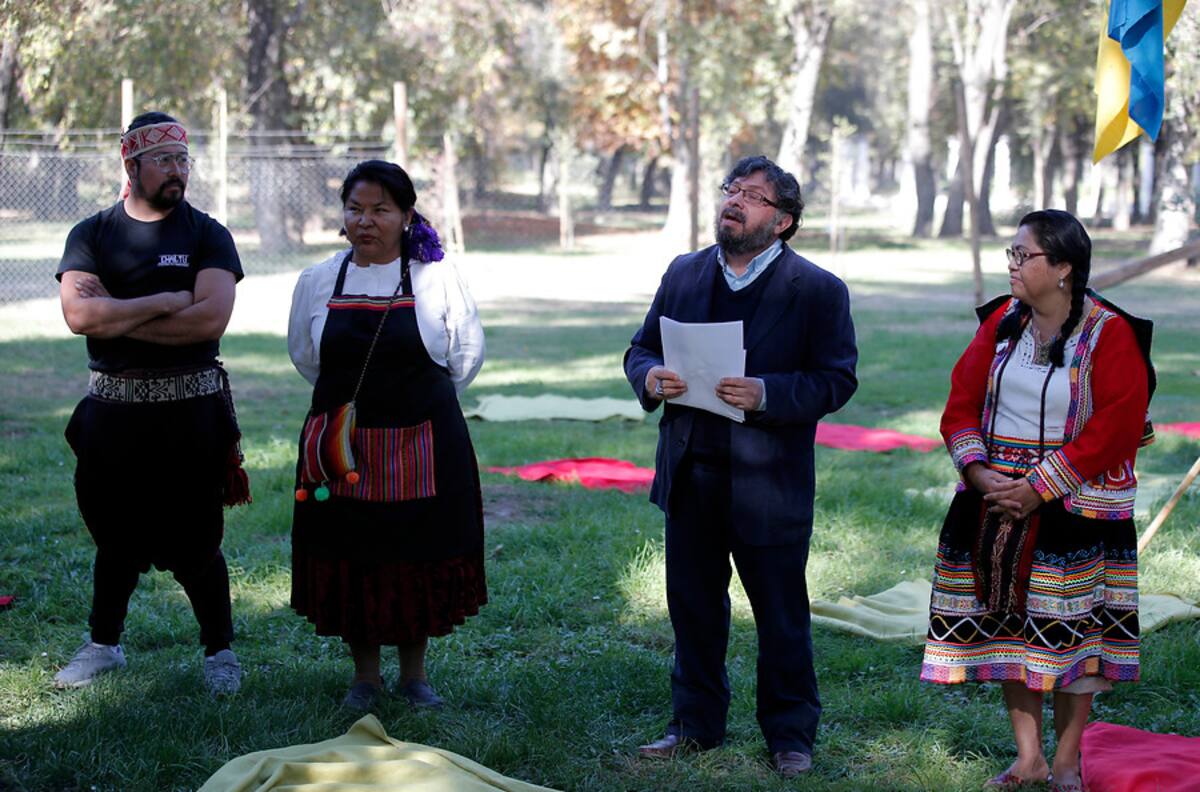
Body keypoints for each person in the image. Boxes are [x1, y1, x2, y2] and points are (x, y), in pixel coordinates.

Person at [623, 155, 858, 777]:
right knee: (693, 608)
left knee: (780, 614)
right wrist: (651, 376)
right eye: (733, 189)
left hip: (769, 481)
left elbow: (836, 379)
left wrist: (767, 394)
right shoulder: (684, 272)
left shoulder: (818, 290)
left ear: (782, 221)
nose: (735, 201)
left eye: (754, 196)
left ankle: (790, 736)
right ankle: (693, 725)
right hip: (691, 470)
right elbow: (641, 348)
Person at [921, 210, 1155, 792]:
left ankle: (1068, 759)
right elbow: (960, 402)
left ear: (1064, 268)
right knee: (1009, 629)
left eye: (1024, 255)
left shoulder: (1108, 332)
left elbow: (1117, 425)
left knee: (1075, 637)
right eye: (1012, 253)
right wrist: (980, 474)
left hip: (1077, 507)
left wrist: (1040, 486)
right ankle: (1029, 758)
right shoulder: (1003, 322)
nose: (1013, 264)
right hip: (997, 499)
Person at [54, 111, 249, 695]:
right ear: (131, 164)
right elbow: (79, 315)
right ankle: (103, 646)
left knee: (197, 542)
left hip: (191, 419)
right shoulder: (91, 234)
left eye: (183, 159)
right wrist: (167, 300)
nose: (177, 170)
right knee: (114, 538)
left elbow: (209, 320)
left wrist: (117, 311)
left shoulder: (208, 234)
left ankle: (220, 653)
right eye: (164, 159)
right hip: (112, 418)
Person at [287, 160, 486, 712]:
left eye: (380, 209)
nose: (365, 221)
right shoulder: (317, 281)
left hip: (423, 444)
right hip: (341, 448)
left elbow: (465, 356)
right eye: (355, 209)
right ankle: (365, 677)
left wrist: (414, 403)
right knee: (352, 552)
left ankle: (415, 676)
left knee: (415, 552)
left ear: (406, 216)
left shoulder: (436, 278)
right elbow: (305, 357)